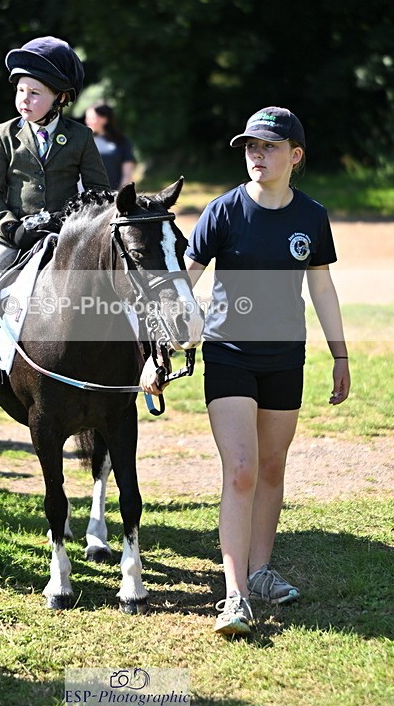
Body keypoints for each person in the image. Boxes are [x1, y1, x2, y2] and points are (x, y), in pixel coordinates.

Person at [142, 106, 351, 636]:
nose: (257, 155)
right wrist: (154, 351)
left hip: (286, 358)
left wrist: (341, 354)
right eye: (251, 147)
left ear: (295, 156)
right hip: (229, 354)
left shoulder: (312, 216)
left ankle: (261, 572)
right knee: (241, 469)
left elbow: (321, 287)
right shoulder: (223, 211)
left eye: (269, 147)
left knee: (272, 468)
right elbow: (182, 284)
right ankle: (234, 596)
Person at [0, 36, 110, 389]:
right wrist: (10, 226)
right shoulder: (4, 134)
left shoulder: (80, 137)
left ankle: (131, 349)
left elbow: (98, 192)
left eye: (34, 93)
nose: (24, 100)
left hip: (64, 234)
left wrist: (71, 220)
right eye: (20, 91)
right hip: (14, 234)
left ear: (59, 97)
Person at [84, 102, 136, 189]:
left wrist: (121, 194)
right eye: (87, 118)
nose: (87, 121)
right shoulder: (85, 141)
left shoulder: (121, 141)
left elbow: (127, 174)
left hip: (115, 193)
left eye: (92, 118)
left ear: (104, 119)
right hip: (91, 195)